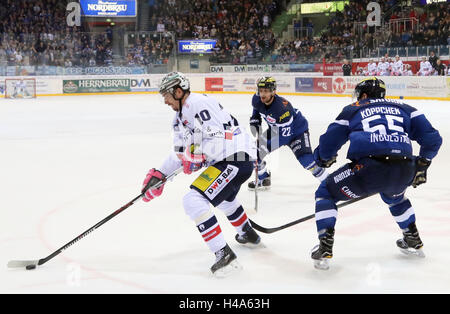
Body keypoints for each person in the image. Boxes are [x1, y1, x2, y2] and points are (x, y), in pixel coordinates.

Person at [310, 77, 442, 270]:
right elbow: (433, 139)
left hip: (368, 169)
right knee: (395, 197)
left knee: (325, 193)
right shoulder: (406, 108)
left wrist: (323, 158)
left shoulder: (353, 108)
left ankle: (325, 245)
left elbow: (329, 143)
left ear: (364, 95)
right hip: (404, 169)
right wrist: (422, 163)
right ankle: (412, 237)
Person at [141, 72, 261, 277]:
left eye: (167, 95)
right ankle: (247, 233)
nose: (165, 101)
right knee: (224, 200)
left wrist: (199, 156)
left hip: (236, 157)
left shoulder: (198, 103)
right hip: (228, 160)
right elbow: (180, 151)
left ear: (178, 92)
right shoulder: (178, 119)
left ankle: (224, 255)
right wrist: (160, 174)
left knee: (193, 200)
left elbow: (219, 135)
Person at [248, 77, 328, 190]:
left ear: (273, 91)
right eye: (261, 91)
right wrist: (255, 120)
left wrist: (265, 147)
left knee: (306, 160)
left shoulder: (282, 108)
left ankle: (328, 181)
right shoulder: (257, 99)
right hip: (276, 129)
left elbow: (284, 137)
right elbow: (257, 109)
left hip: (296, 131)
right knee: (253, 153)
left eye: (266, 91)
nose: (262, 94)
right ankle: (263, 178)